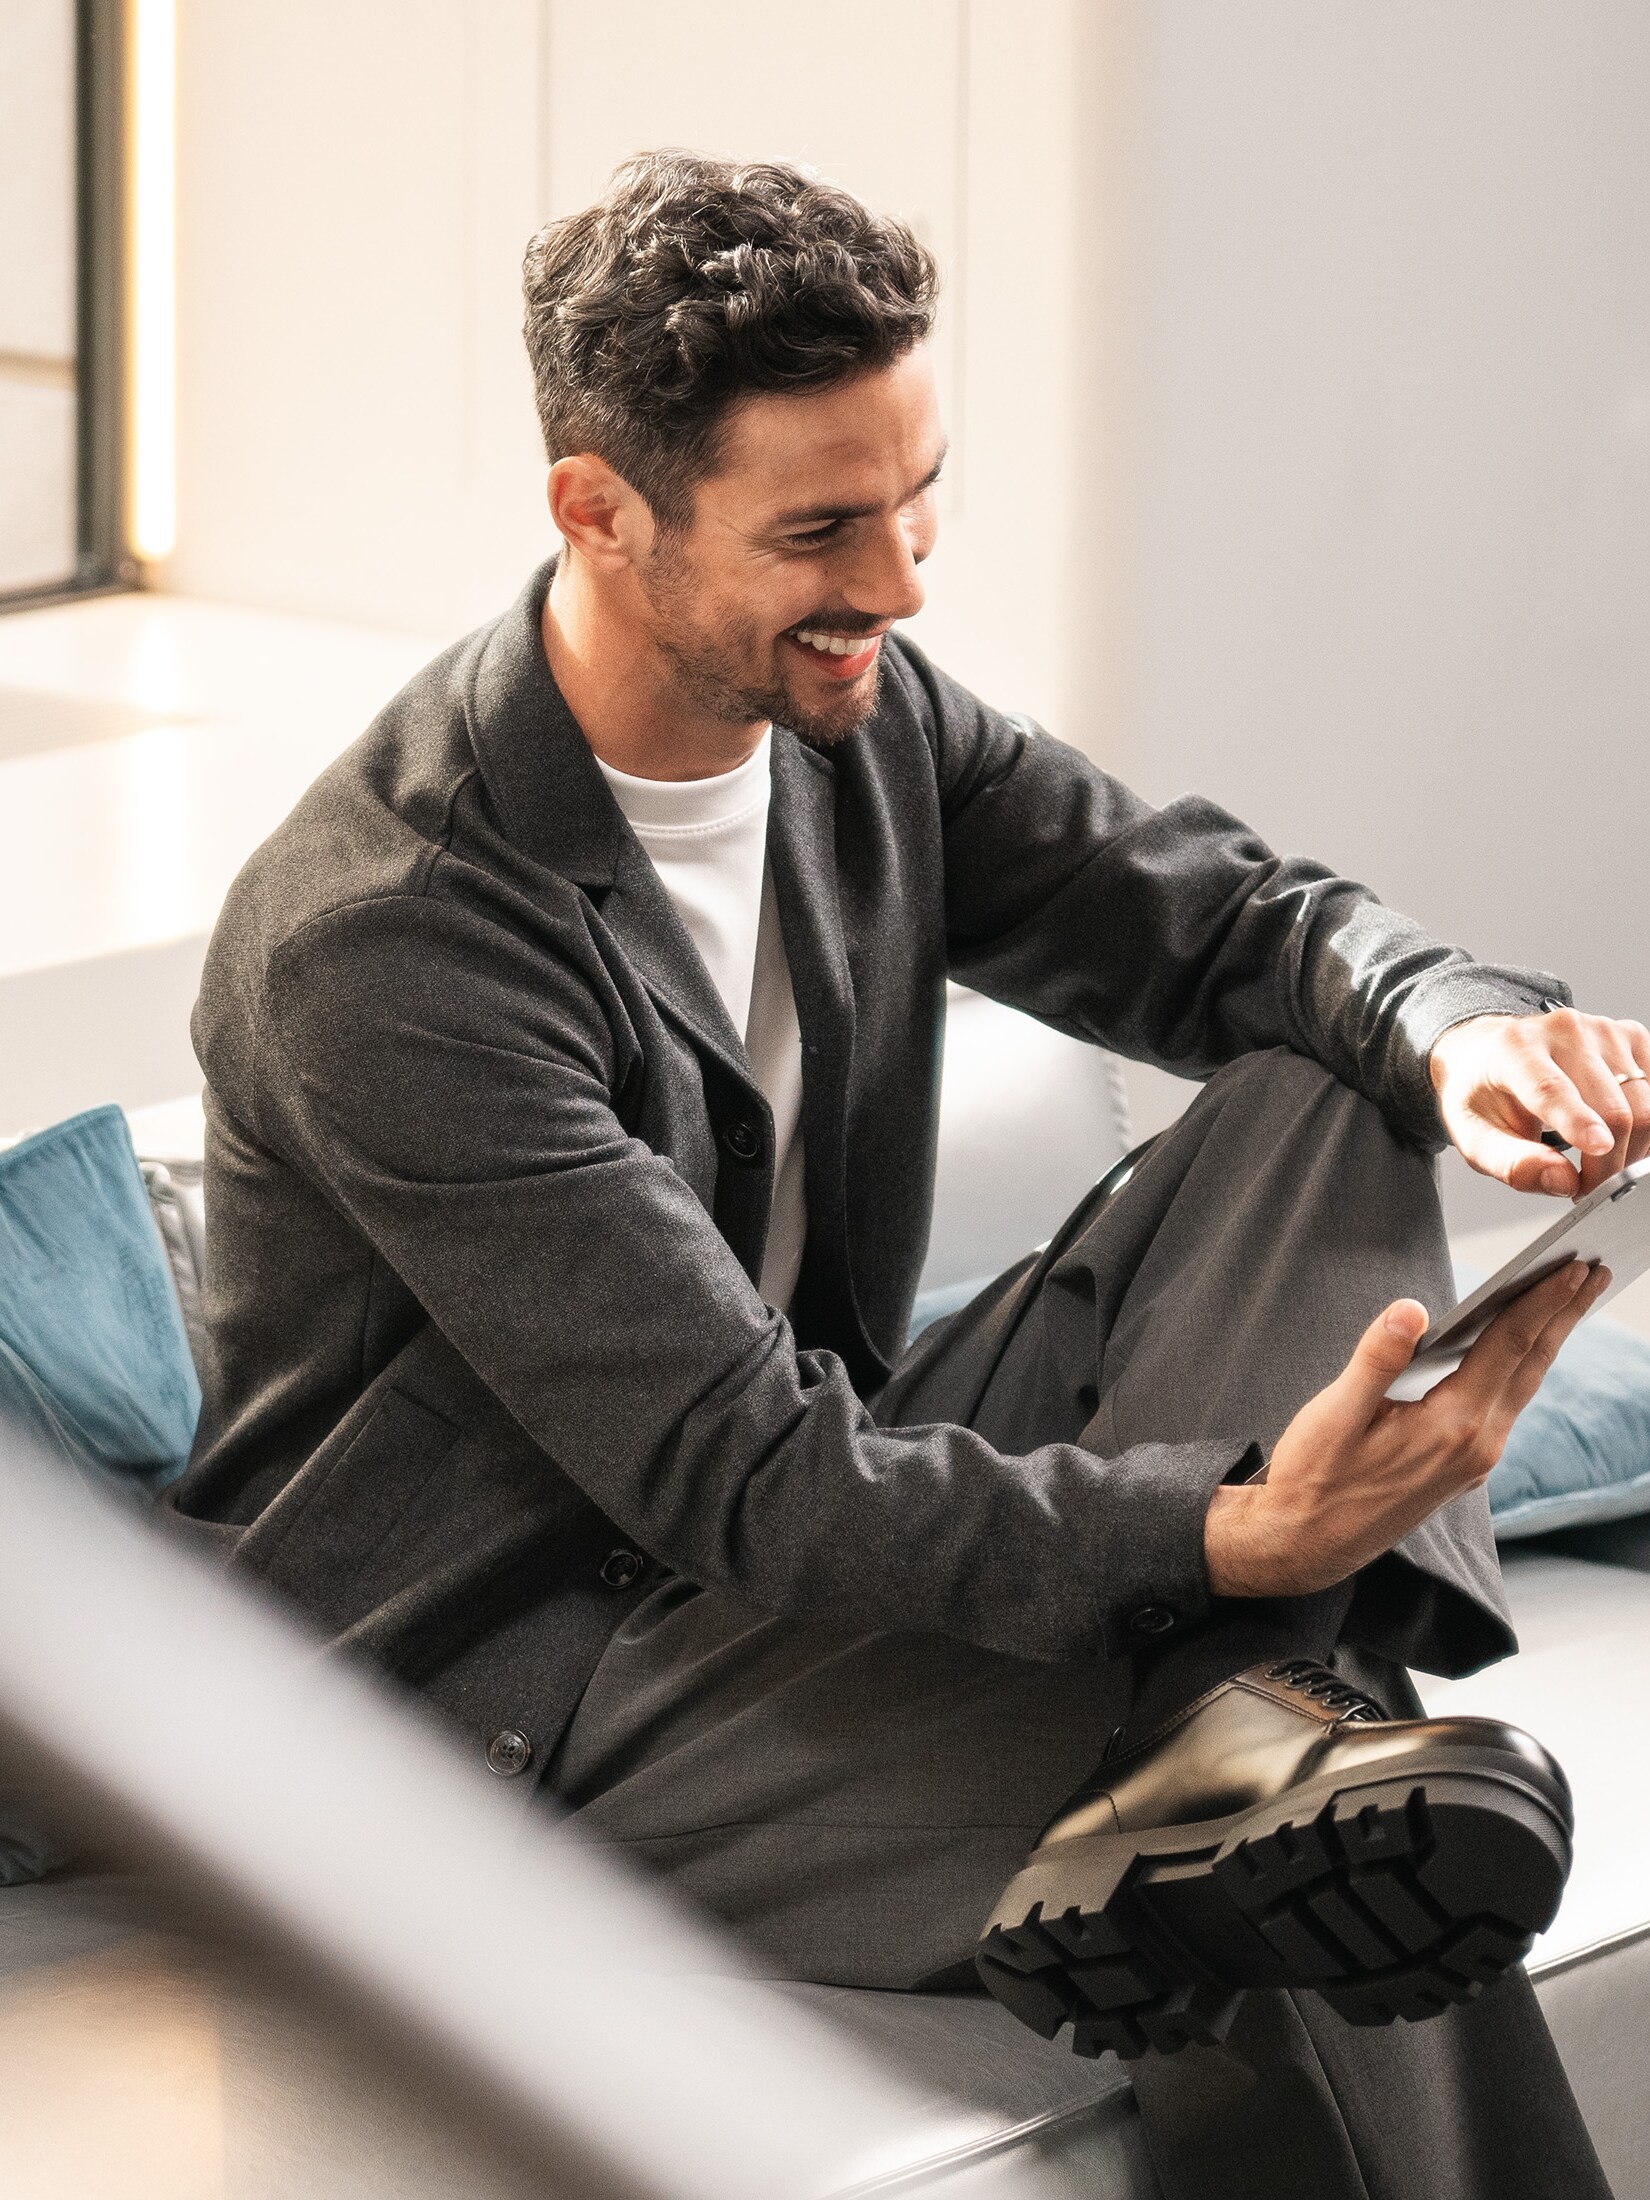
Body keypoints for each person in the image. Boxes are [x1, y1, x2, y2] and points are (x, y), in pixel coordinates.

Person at [169, 152, 1650, 2197]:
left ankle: (1246, 1730)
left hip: (772, 1583)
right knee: (1295, 1863)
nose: (904, 577)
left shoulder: (853, 718)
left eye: (918, 492)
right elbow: (750, 1473)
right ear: (597, 510)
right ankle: (1244, 1737)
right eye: (823, 527)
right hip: (513, 1721)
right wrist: (1232, 1532)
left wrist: (1453, 1021)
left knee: (1334, 1085)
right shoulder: (397, 937)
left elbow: (1227, 926)